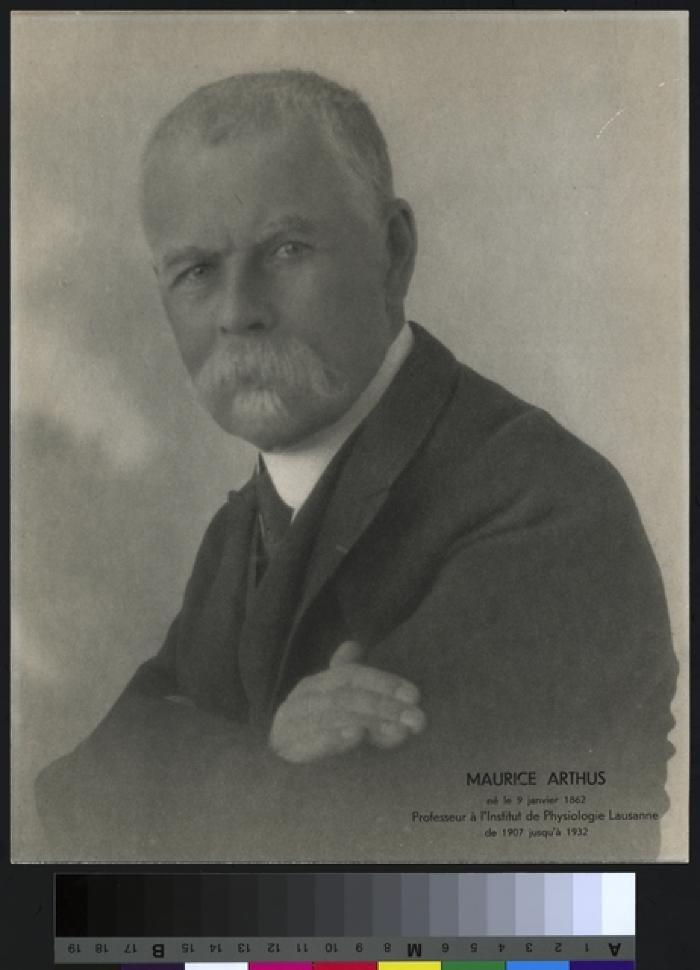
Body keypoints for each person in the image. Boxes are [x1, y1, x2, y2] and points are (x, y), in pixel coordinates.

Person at [35, 69, 677, 862]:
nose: (239, 311)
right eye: (197, 271)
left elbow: (367, 852)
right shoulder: (238, 531)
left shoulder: (547, 508)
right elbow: (73, 790)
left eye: (288, 249)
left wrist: (213, 762)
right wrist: (270, 753)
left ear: (394, 253)